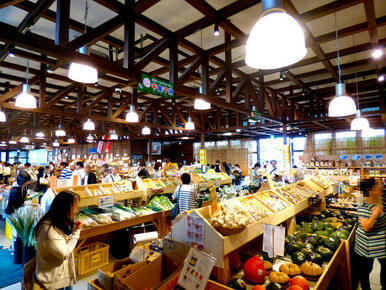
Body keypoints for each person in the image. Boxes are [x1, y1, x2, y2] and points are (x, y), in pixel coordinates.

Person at [34, 190, 83, 290]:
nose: (76, 210)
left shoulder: (59, 220)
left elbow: (63, 238)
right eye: (74, 207)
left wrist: (74, 229)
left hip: (61, 273)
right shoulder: (47, 230)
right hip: (53, 278)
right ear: (64, 208)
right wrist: (77, 232)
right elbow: (64, 253)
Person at [354, 178, 385, 290]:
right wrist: (375, 213)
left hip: (382, 246)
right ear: (371, 191)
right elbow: (366, 226)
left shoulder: (381, 198)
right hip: (366, 246)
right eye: (377, 186)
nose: (380, 187)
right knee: (365, 271)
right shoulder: (362, 203)